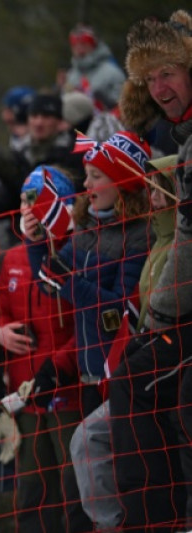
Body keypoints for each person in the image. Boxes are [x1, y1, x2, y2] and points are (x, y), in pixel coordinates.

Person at [22, 130, 152, 528]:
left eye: (97, 176)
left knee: (121, 481)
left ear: (123, 182)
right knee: (78, 486)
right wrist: (36, 245)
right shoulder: (85, 230)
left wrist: (70, 281)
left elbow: (119, 310)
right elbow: (50, 283)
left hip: (126, 378)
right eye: (87, 175)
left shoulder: (139, 235)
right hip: (90, 377)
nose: (87, 185)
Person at [109, 10, 192, 530]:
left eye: (169, 71)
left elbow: (187, 240)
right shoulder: (179, 143)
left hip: (180, 311)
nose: (160, 87)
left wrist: (158, 316)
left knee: (147, 384)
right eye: (149, 78)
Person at [69, 154, 177, 530]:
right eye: (150, 190)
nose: (155, 198)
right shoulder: (158, 238)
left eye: (161, 190)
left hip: (151, 368)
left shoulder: (148, 239)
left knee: (138, 456)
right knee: (85, 444)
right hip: (106, 368)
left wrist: (71, 284)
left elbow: (116, 313)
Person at [0, 166, 79, 532]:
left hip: (69, 396)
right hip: (26, 400)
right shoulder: (11, 258)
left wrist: (57, 367)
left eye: (37, 199)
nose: (28, 207)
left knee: (74, 492)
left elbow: (87, 327)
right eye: (25, 199)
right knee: (31, 495)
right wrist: (0, 334)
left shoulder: (76, 251)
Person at [62, 24, 126, 110]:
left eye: (83, 44)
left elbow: (125, 103)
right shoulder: (71, 75)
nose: (79, 50)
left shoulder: (112, 72)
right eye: (75, 45)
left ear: (93, 46)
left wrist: (106, 99)